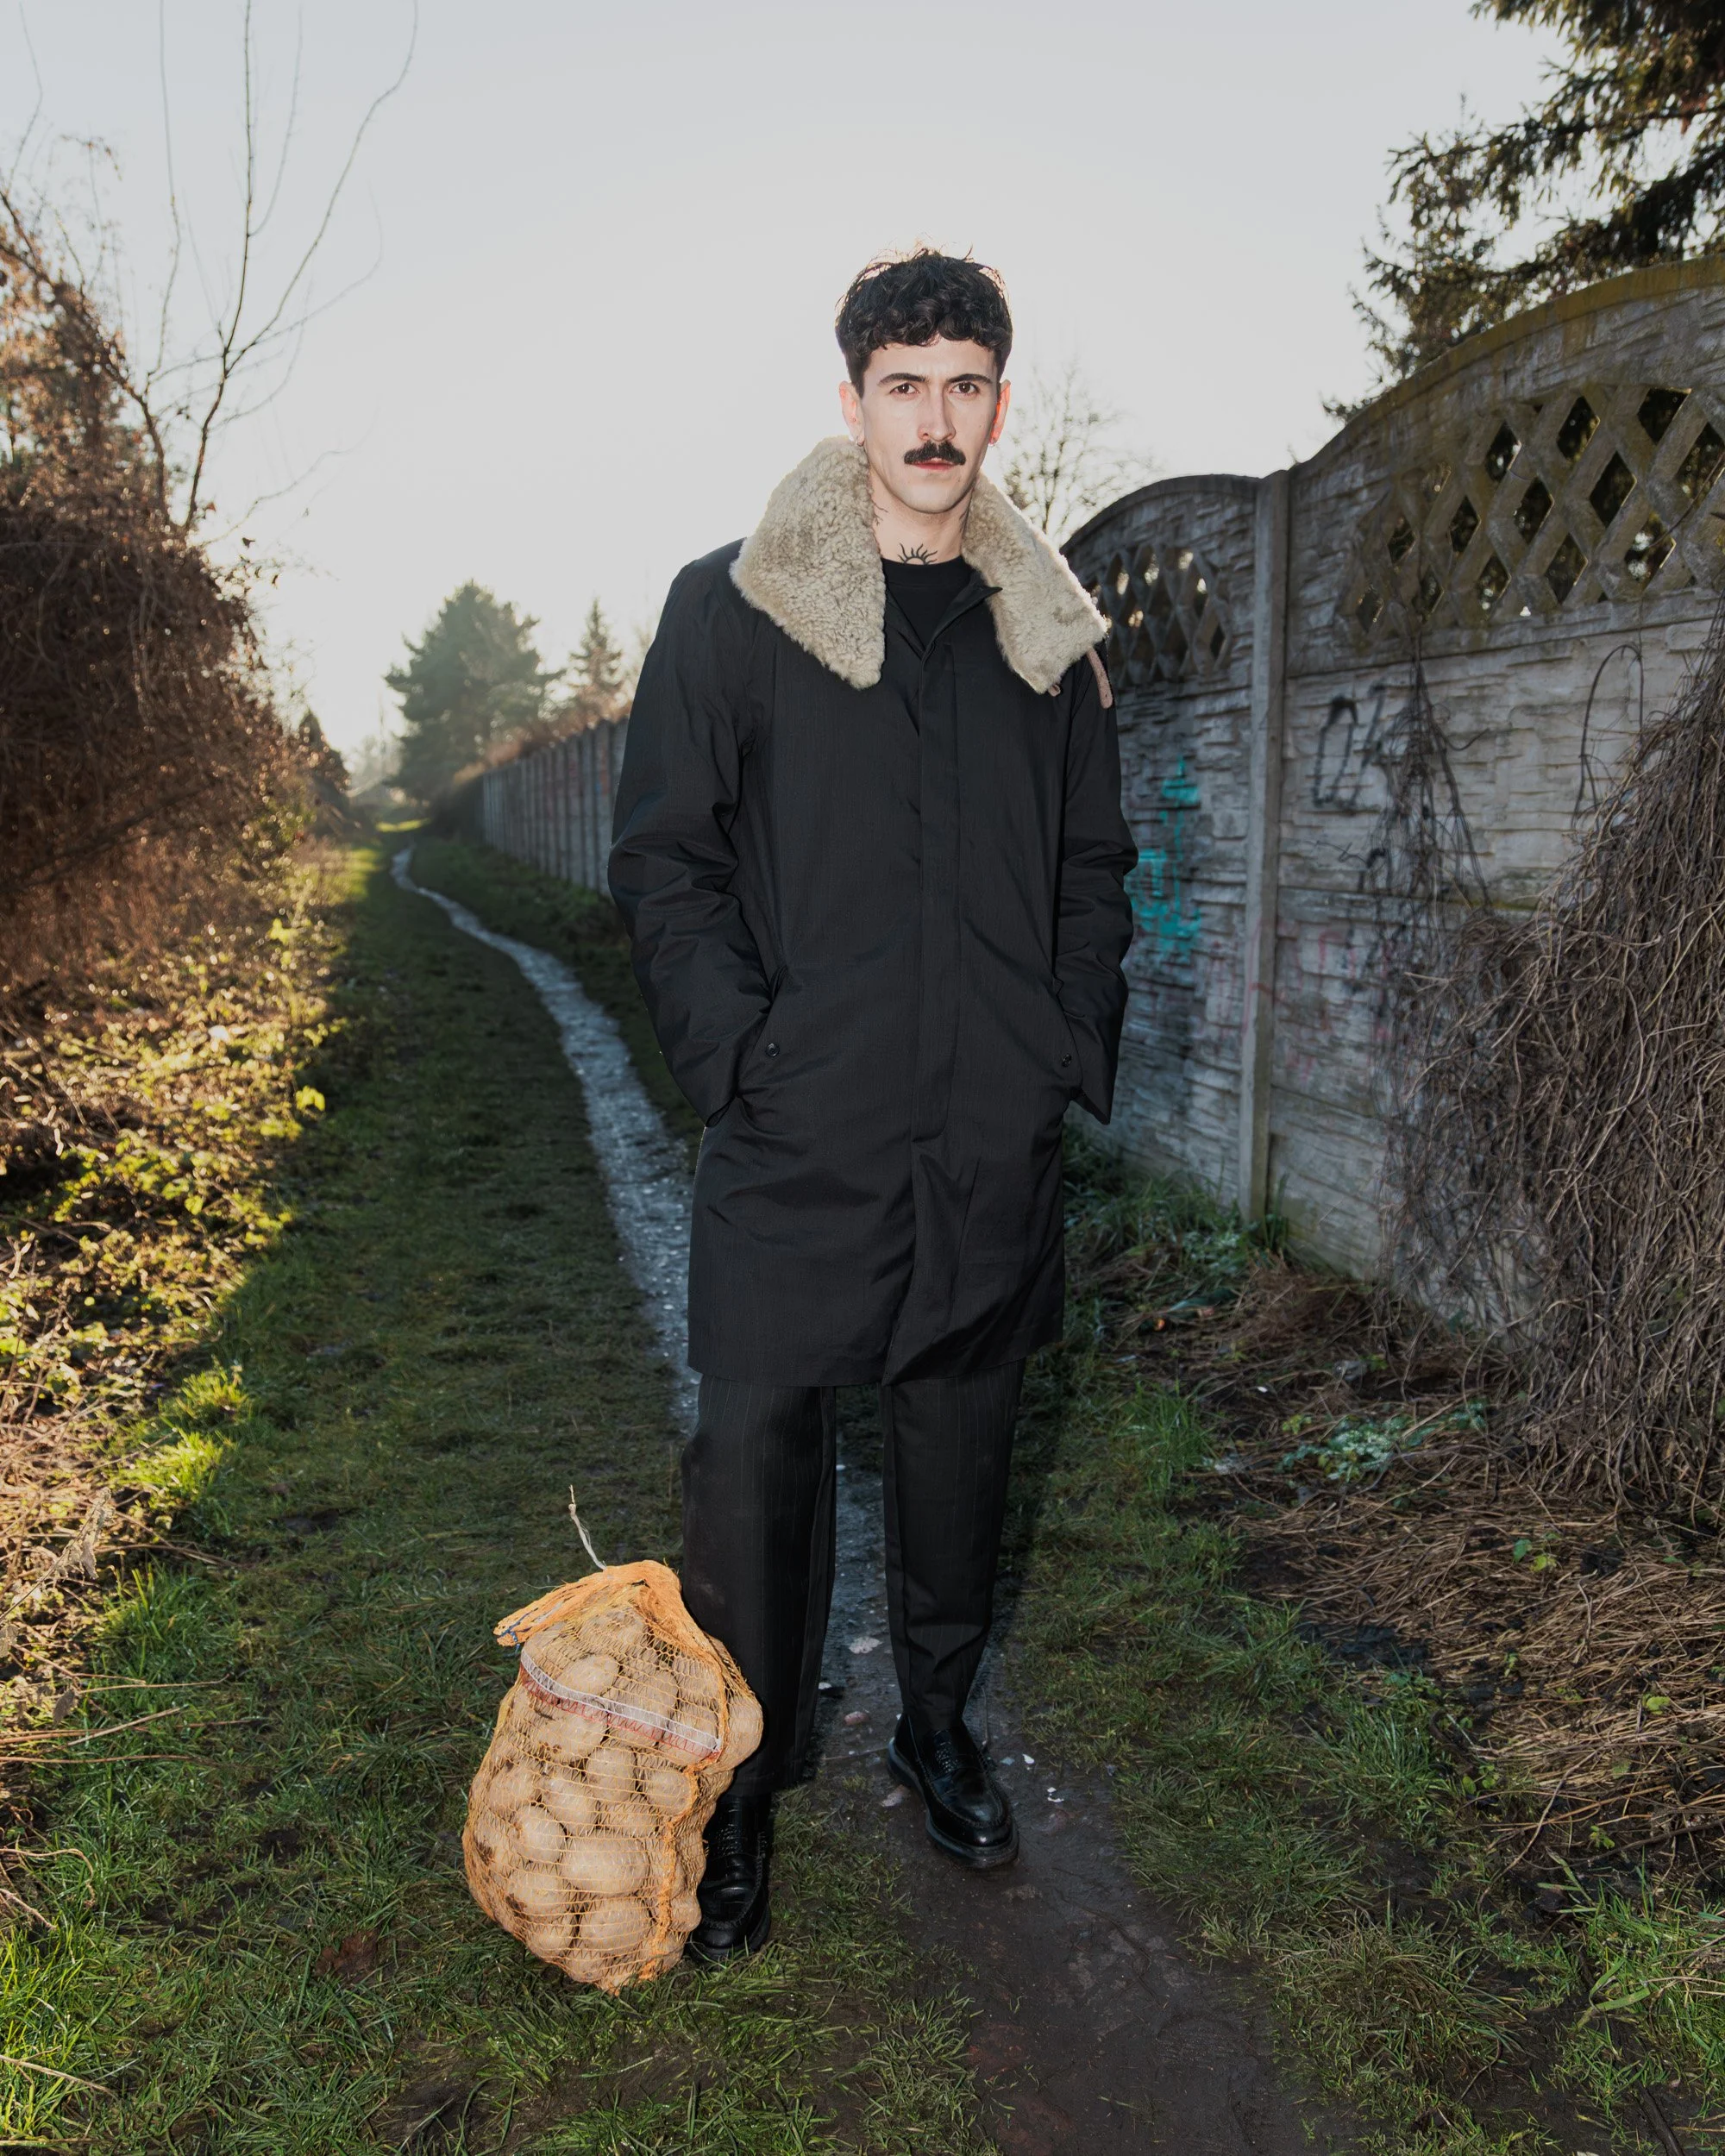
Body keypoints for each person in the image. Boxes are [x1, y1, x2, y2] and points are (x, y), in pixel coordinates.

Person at [608, 248, 1136, 1962]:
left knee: (958, 1455)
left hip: (983, 1131)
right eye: (903, 381)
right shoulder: (732, 608)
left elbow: (1090, 865)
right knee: (753, 1469)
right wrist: (734, 1055)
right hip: (796, 1130)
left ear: (998, 402)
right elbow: (667, 857)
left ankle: (936, 1724)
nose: (936, 415)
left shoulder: (1043, 639)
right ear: (851, 402)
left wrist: (1066, 1039)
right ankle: (743, 1801)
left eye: (966, 381)